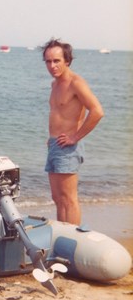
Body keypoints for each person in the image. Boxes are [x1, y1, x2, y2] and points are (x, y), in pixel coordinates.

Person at [42, 39, 104, 225]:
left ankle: (74, 240)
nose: (52, 66)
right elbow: (59, 113)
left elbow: (97, 111)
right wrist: (51, 138)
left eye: (56, 61)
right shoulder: (55, 84)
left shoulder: (76, 83)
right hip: (55, 144)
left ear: (67, 61)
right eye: (48, 61)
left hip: (68, 147)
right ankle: (63, 237)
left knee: (69, 199)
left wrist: (74, 137)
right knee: (57, 198)